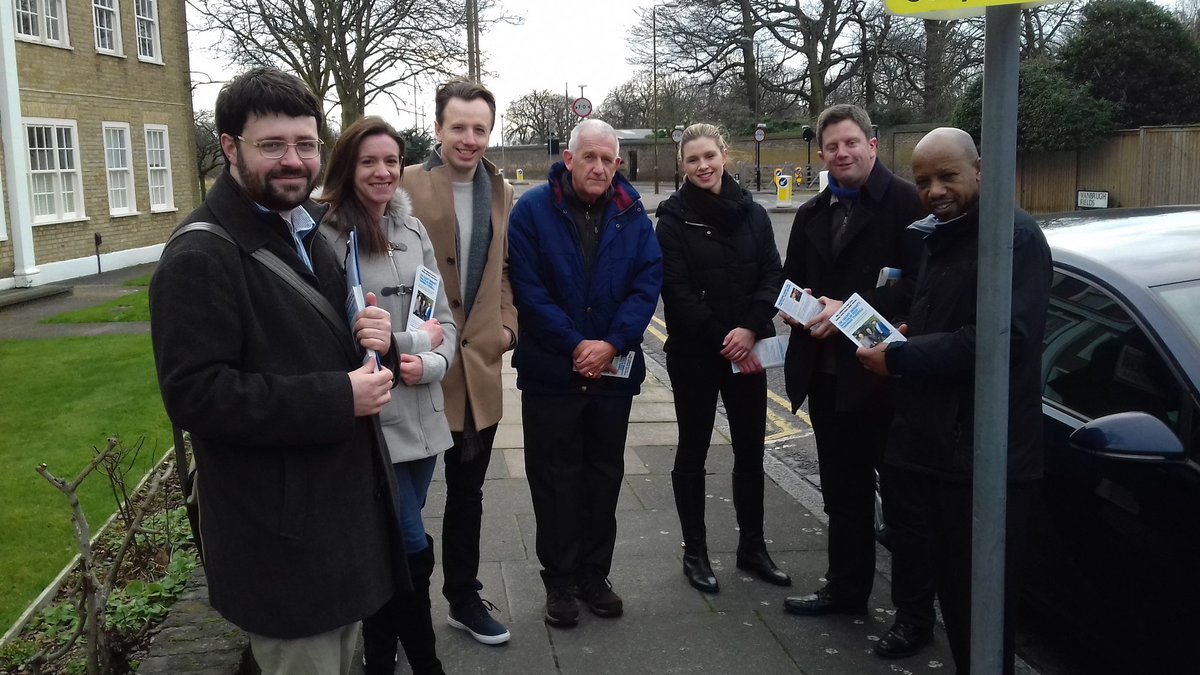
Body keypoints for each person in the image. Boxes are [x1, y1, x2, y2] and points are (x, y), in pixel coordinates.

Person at [149, 68, 401, 675]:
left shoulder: (306, 228)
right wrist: (338, 397)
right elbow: (196, 395)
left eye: (306, 144)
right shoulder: (200, 255)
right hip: (283, 543)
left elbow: (329, 341)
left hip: (337, 525)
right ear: (230, 147)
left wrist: (375, 339)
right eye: (272, 145)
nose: (294, 160)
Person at [857, 127, 1051, 674]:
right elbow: (954, 323)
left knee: (983, 616)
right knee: (959, 603)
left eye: (947, 176)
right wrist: (908, 332)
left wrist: (898, 358)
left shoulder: (1011, 239)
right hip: (941, 450)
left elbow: (997, 340)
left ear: (981, 171)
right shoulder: (947, 233)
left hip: (984, 460)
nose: (935, 191)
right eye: (923, 181)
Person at [780, 104, 935, 659]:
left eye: (851, 143)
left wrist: (850, 306)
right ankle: (847, 589)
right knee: (843, 495)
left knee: (902, 504)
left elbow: (925, 287)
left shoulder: (910, 206)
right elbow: (792, 280)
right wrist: (795, 309)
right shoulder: (811, 212)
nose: (841, 153)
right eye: (832, 146)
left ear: (873, 144)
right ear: (821, 154)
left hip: (884, 380)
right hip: (825, 377)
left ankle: (916, 617)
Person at [507, 118, 663, 629]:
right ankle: (559, 581)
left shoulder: (633, 213)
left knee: (603, 477)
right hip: (552, 372)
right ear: (568, 158)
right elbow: (528, 290)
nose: (598, 167)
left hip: (612, 375)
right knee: (554, 480)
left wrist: (613, 343)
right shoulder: (532, 210)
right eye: (588, 157)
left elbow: (647, 283)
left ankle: (595, 576)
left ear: (617, 164)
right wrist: (576, 345)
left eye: (607, 159)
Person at [317, 116, 455, 675]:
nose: (382, 171)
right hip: (373, 422)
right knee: (409, 544)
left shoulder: (412, 231)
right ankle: (424, 661)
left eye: (391, 161)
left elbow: (442, 321)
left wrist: (431, 361)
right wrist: (410, 344)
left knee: (393, 542)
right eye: (368, 161)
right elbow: (335, 341)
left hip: (424, 415)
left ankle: (379, 657)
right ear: (348, 166)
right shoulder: (327, 240)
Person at [403, 78, 518, 646]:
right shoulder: (404, 185)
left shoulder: (499, 187)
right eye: (458, 127)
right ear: (437, 129)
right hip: (421, 371)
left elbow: (502, 268)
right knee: (408, 501)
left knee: (467, 493)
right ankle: (397, 611)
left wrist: (507, 328)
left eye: (480, 128)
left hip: (479, 370)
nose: (470, 139)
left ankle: (463, 597)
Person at [654, 123, 789, 594]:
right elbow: (678, 293)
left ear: (724, 155)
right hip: (696, 354)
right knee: (692, 450)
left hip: (748, 350)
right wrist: (725, 337)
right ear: (682, 166)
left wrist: (749, 328)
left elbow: (773, 273)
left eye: (709, 156)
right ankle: (696, 553)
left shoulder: (752, 212)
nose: (703, 166)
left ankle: (752, 548)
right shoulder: (671, 220)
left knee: (751, 449)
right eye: (692, 160)